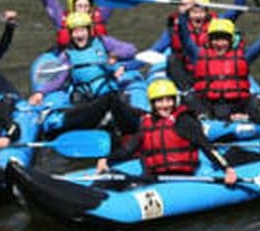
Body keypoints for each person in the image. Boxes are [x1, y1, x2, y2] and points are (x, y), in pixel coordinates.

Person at [96, 79, 237, 185]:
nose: (165, 105)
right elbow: (129, 149)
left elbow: (207, 147)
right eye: (160, 101)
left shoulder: (184, 121)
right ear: (152, 104)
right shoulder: (146, 123)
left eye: (169, 100)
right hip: (155, 176)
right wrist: (107, 159)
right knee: (114, 178)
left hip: (181, 176)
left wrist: (227, 169)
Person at [28, 12, 141, 136]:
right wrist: (41, 93)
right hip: (86, 101)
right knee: (99, 104)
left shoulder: (103, 42)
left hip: (107, 94)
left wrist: (115, 55)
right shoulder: (67, 55)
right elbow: (58, 79)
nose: (79, 35)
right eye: (75, 32)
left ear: (89, 30)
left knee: (112, 99)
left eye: (82, 31)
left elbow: (131, 50)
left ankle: (131, 130)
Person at [146, 0, 249, 90]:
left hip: (209, 72)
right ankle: (185, 93)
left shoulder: (216, 23)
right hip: (184, 75)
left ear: (207, 12)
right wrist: (128, 66)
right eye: (194, 12)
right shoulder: (176, 29)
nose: (198, 16)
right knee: (172, 60)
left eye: (202, 12)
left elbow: (238, 9)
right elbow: (154, 51)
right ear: (187, 13)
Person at [178, 3, 260, 121]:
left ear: (231, 41)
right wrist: (182, 15)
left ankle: (246, 118)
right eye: (215, 39)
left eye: (223, 40)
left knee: (258, 98)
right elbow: (185, 38)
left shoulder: (243, 56)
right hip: (208, 104)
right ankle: (204, 118)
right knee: (189, 97)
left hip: (236, 104)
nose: (219, 44)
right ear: (209, 40)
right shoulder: (198, 55)